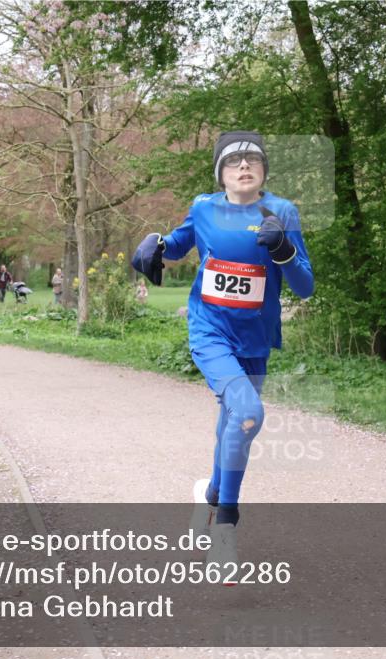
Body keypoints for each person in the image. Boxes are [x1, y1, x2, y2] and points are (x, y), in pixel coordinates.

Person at [131, 131, 314, 573]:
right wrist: (153, 244)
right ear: (222, 173)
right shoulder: (204, 207)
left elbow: (305, 285)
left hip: (255, 341)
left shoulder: (282, 212)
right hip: (210, 331)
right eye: (234, 163)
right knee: (249, 413)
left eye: (253, 160)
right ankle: (225, 528)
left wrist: (285, 250)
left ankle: (211, 493)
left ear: (264, 170)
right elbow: (175, 245)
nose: (244, 167)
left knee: (235, 427)